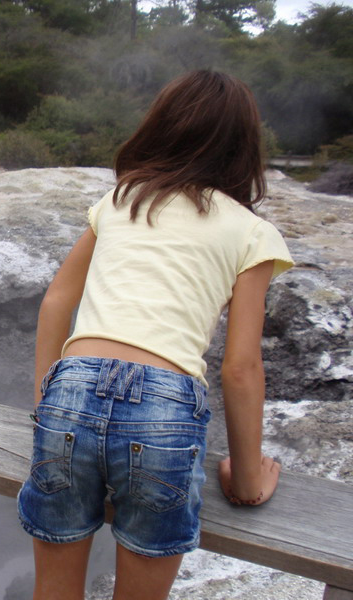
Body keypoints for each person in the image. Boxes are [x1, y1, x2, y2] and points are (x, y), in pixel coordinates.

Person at [16, 70, 294, 600]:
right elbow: (240, 368)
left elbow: (56, 302)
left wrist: (46, 407)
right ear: (244, 148)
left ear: (161, 127)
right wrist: (248, 480)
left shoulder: (123, 199)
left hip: (71, 391)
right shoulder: (253, 233)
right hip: (164, 412)